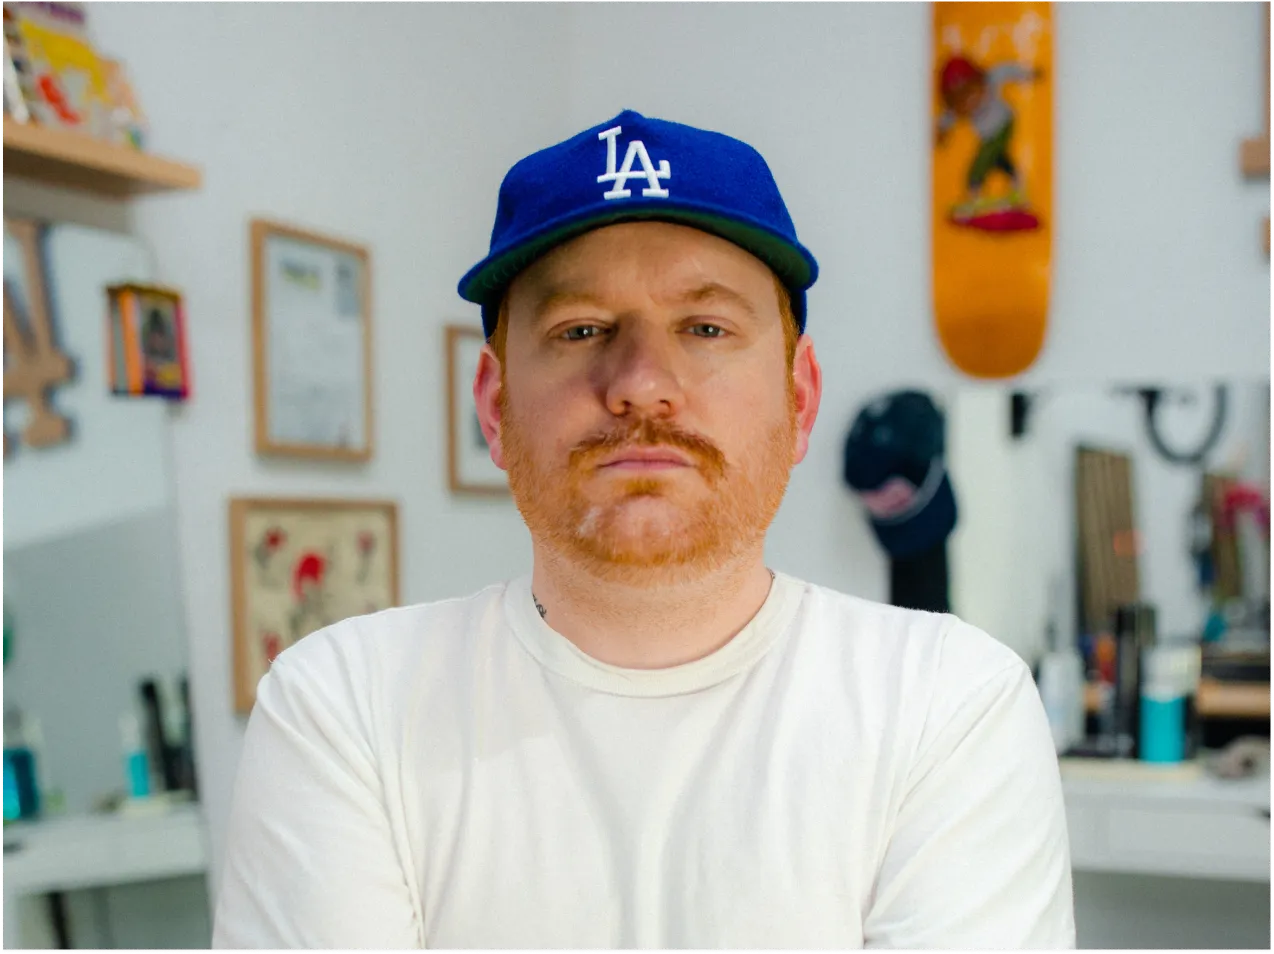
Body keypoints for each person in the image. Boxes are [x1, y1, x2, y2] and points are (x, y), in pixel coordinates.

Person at [212, 110, 1074, 950]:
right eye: (581, 328)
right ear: (495, 404)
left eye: (705, 328)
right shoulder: (347, 708)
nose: (641, 383)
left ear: (800, 399)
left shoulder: (946, 705)